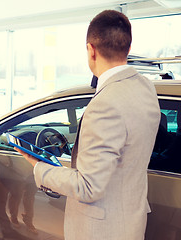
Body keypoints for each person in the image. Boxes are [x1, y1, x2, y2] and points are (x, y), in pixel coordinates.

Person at [16, 10, 160, 240]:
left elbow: (88, 187)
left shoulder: (105, 104)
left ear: (91, 49)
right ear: (128, 48)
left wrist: (39, 167)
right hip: (130, 222)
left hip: (101, 231)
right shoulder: (146, 87)